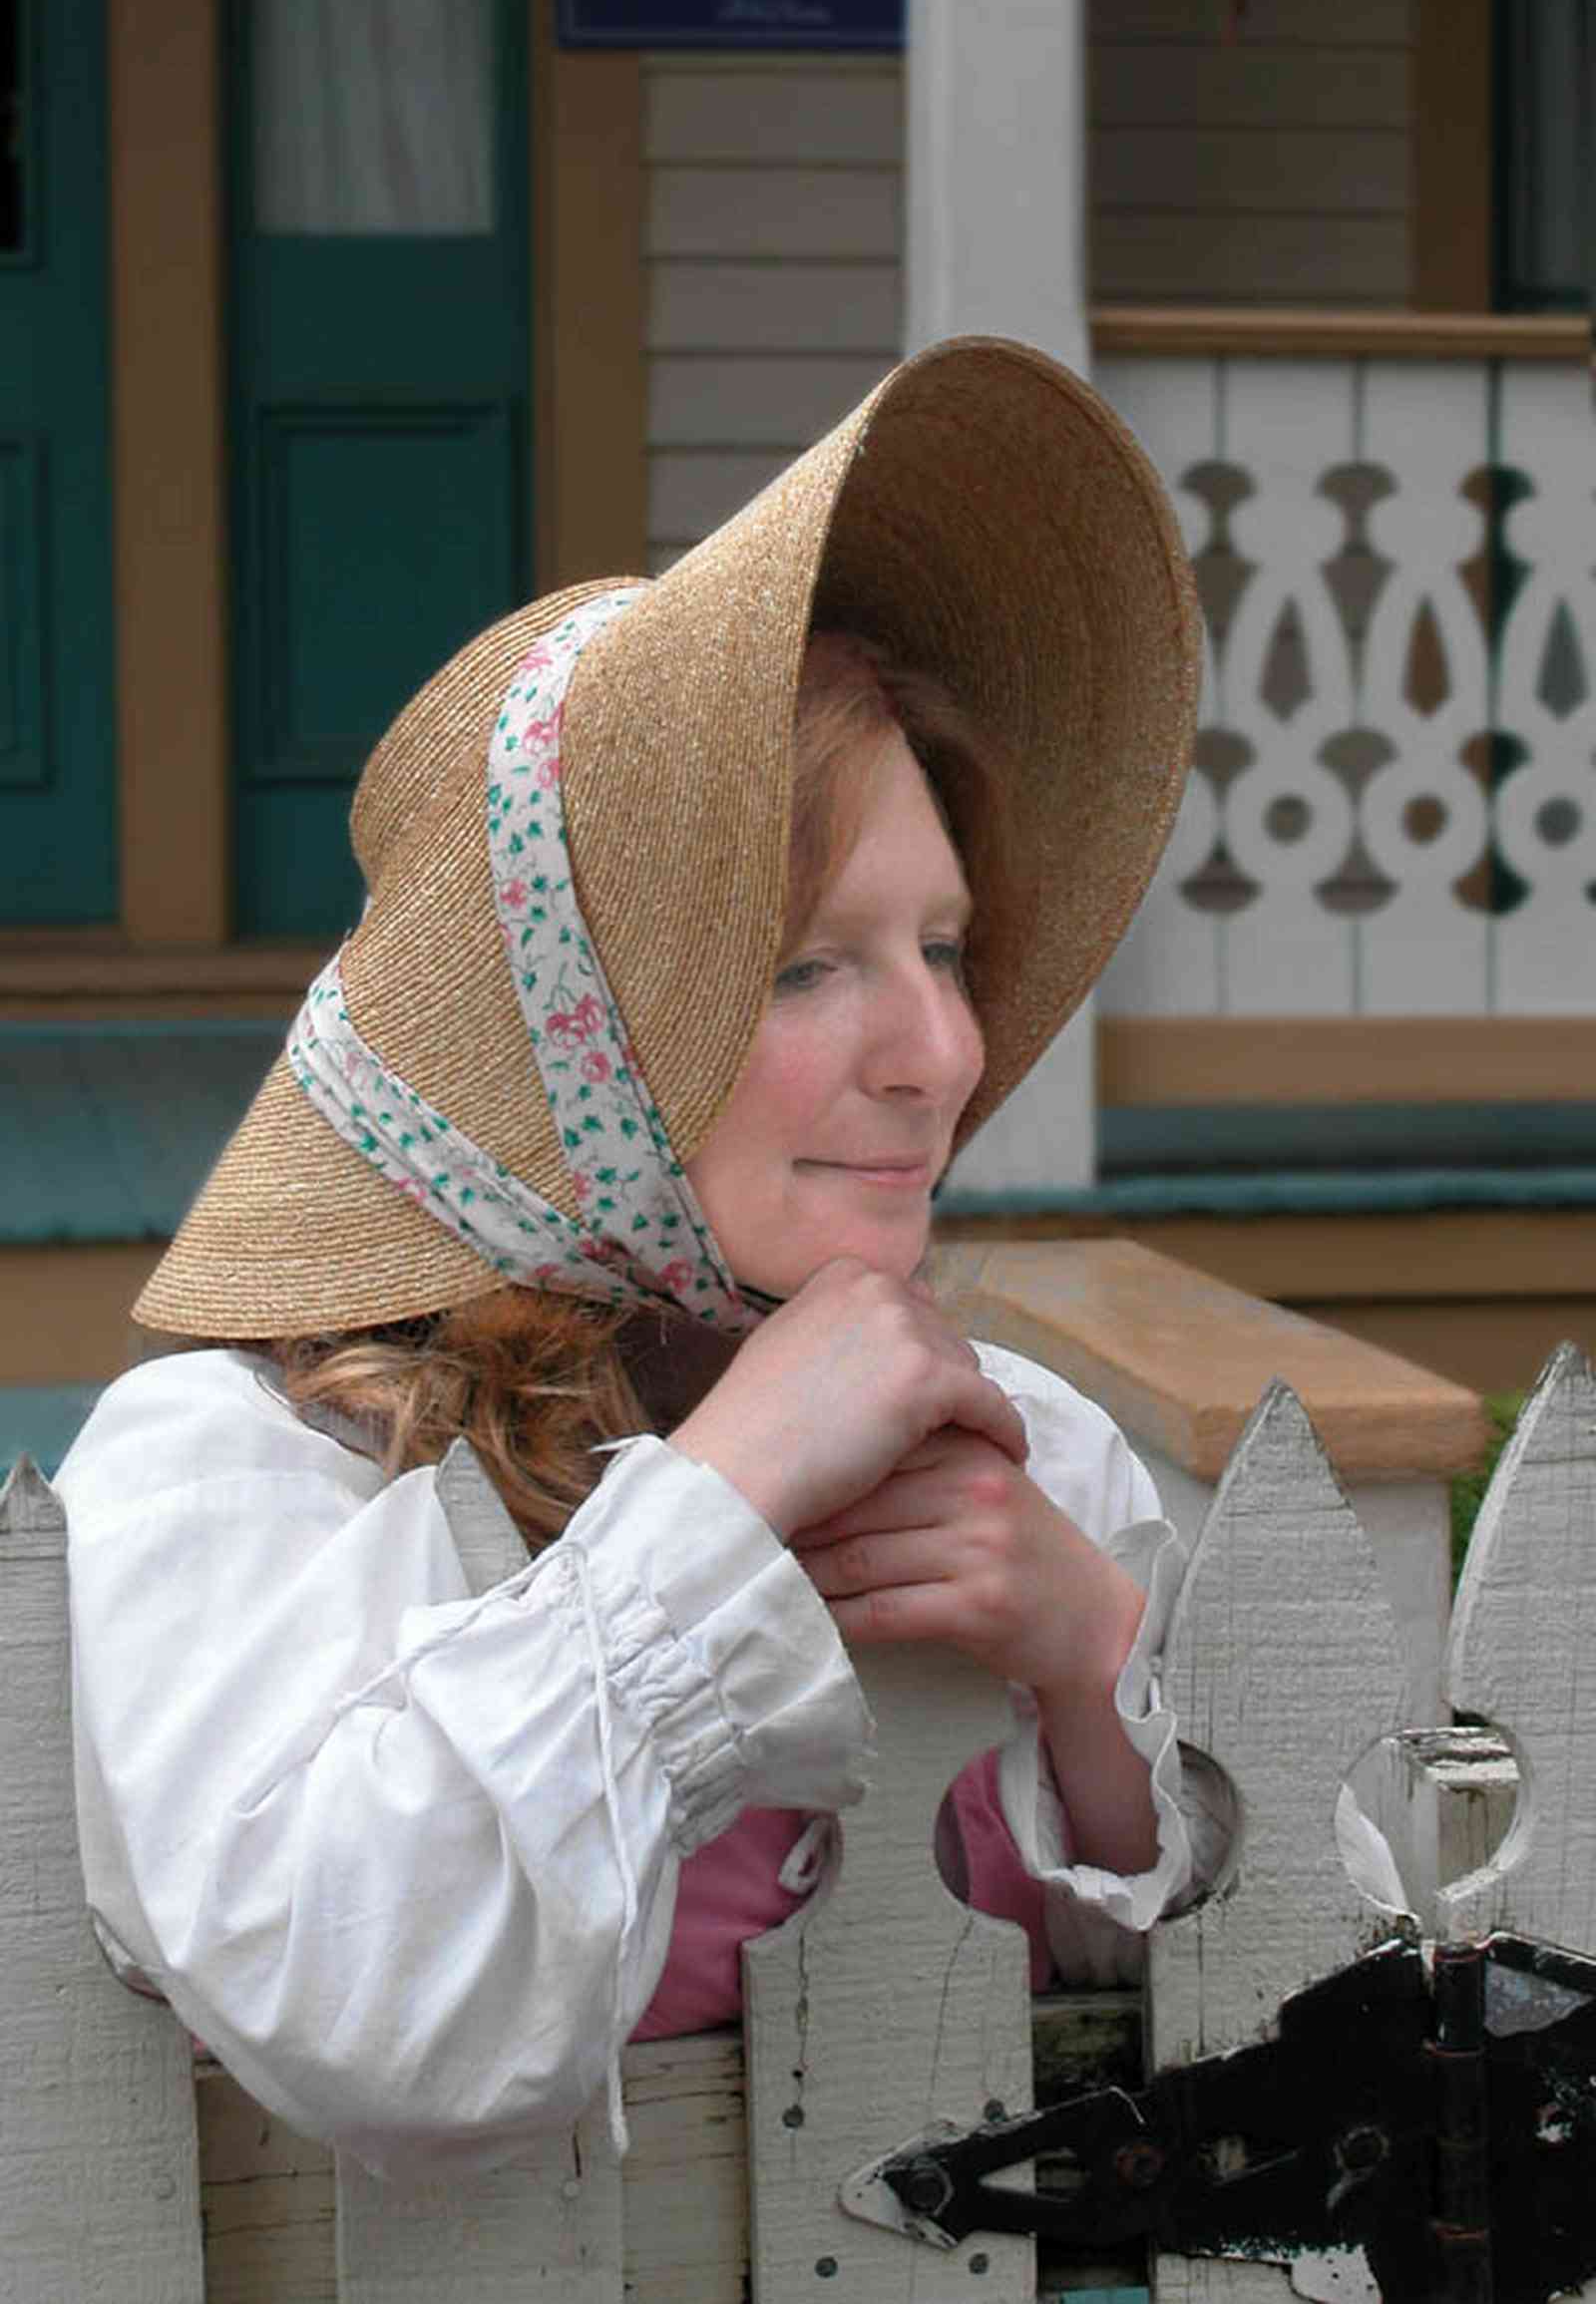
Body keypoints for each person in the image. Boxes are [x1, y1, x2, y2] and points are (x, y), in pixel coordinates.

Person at [57, 336, 1205, 2178]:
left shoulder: (1016, 1461)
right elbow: (379, 2023)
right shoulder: (242, 1481)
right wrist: (724, 1497)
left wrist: (1090, 1661)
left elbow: (1208, 2022)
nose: (942, 1053)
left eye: (944, 946)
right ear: (557, 1026)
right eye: (804, 965)